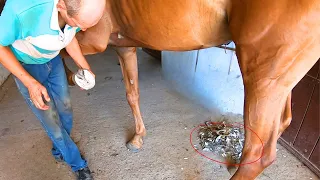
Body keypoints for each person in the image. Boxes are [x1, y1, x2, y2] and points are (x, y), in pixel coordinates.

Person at [0, 0, 105, 179]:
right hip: (27, 68)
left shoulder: (76, 10)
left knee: (65, 109)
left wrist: (84, 68)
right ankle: (77, 164)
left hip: (53, 60)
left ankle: (60, 150)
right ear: (61, 6)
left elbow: (69, 35)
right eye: (80, 24)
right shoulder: (22, 10)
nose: (84, 29)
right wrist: (30, 83)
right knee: (52, 121)